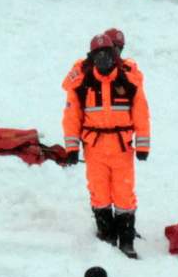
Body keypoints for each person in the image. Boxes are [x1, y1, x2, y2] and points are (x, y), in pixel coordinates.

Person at [61, 28, 151, 256]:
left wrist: (143, 145)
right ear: (91, 58)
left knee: (124, 193)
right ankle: (106, 233)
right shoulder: (81, 83)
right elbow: (72, 117)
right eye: (98, 55)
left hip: (122, 147)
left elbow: (141, 113)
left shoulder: (129, 80)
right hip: (94, 147)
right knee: (98, 192)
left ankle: (127, 240)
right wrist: (71, 148)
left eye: (108, 54)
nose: (104, 60)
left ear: (115, 55)